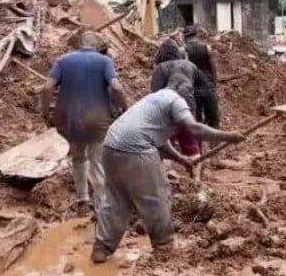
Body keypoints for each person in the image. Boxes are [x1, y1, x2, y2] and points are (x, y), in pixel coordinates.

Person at [91, 74, 245, 263]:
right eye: (189, 92)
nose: (190, 97)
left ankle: (101, 247)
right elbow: (194, 129)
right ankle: (163, 247)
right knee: (156, 196)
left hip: (110, 147)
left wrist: (181, 159)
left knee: (116, 199)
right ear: (182, 88)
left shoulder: (154, 98)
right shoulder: (175, 99)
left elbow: (159, 141)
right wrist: (229, 136)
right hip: (136, 149)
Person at [41, 31, 129, 216]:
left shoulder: (63, 60)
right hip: (97, 119)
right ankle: (101, 208)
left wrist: (46, 111)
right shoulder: (103, 61)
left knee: (78, 158)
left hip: (68, 118)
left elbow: (48, 87)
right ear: (96, 46)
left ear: (79, 44)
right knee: (97, 161)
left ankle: (82, 200)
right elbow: (116, 87)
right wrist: (124, 107)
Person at [150, 40, 210, 156]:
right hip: (188, 105)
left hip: (168, 109)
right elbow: (204, 85)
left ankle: (169, 170)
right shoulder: (190, 65)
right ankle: (195, 170)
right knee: (190, 141)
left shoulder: (160, 68)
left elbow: (155, 93)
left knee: (167, 142)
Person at [183, 26, 221, 129]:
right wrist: (214, 85)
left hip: (193, 89)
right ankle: (216, 145)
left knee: (196, 123)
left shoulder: (184, 51)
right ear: (196, 35)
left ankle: (198, 145)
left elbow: (184, 71)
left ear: (185, 37)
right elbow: (213, 68)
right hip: (208, 87)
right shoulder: (206, 48)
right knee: (214, 121)